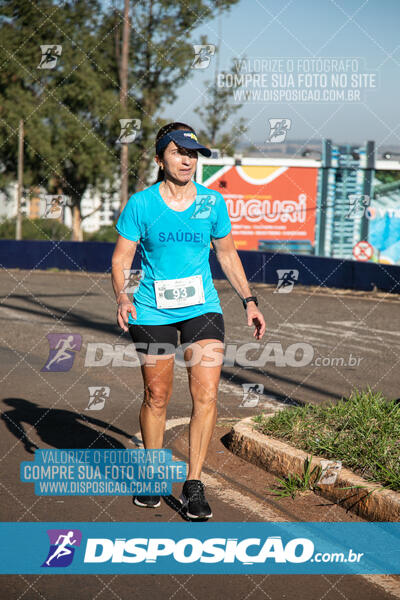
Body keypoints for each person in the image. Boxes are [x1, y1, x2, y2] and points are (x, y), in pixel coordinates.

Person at [111, 122, 266, 519]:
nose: (187, 160)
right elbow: (121, 258)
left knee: (207, 395)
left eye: (193, 154)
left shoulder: (212, 203)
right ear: (160, 157)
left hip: (202, 308)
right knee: (157, 396)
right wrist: (122, 296)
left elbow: (228, 255)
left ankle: (194, 482)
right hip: (151, 310)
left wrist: (249, 301)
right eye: (179, 152)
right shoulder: (142, 204)